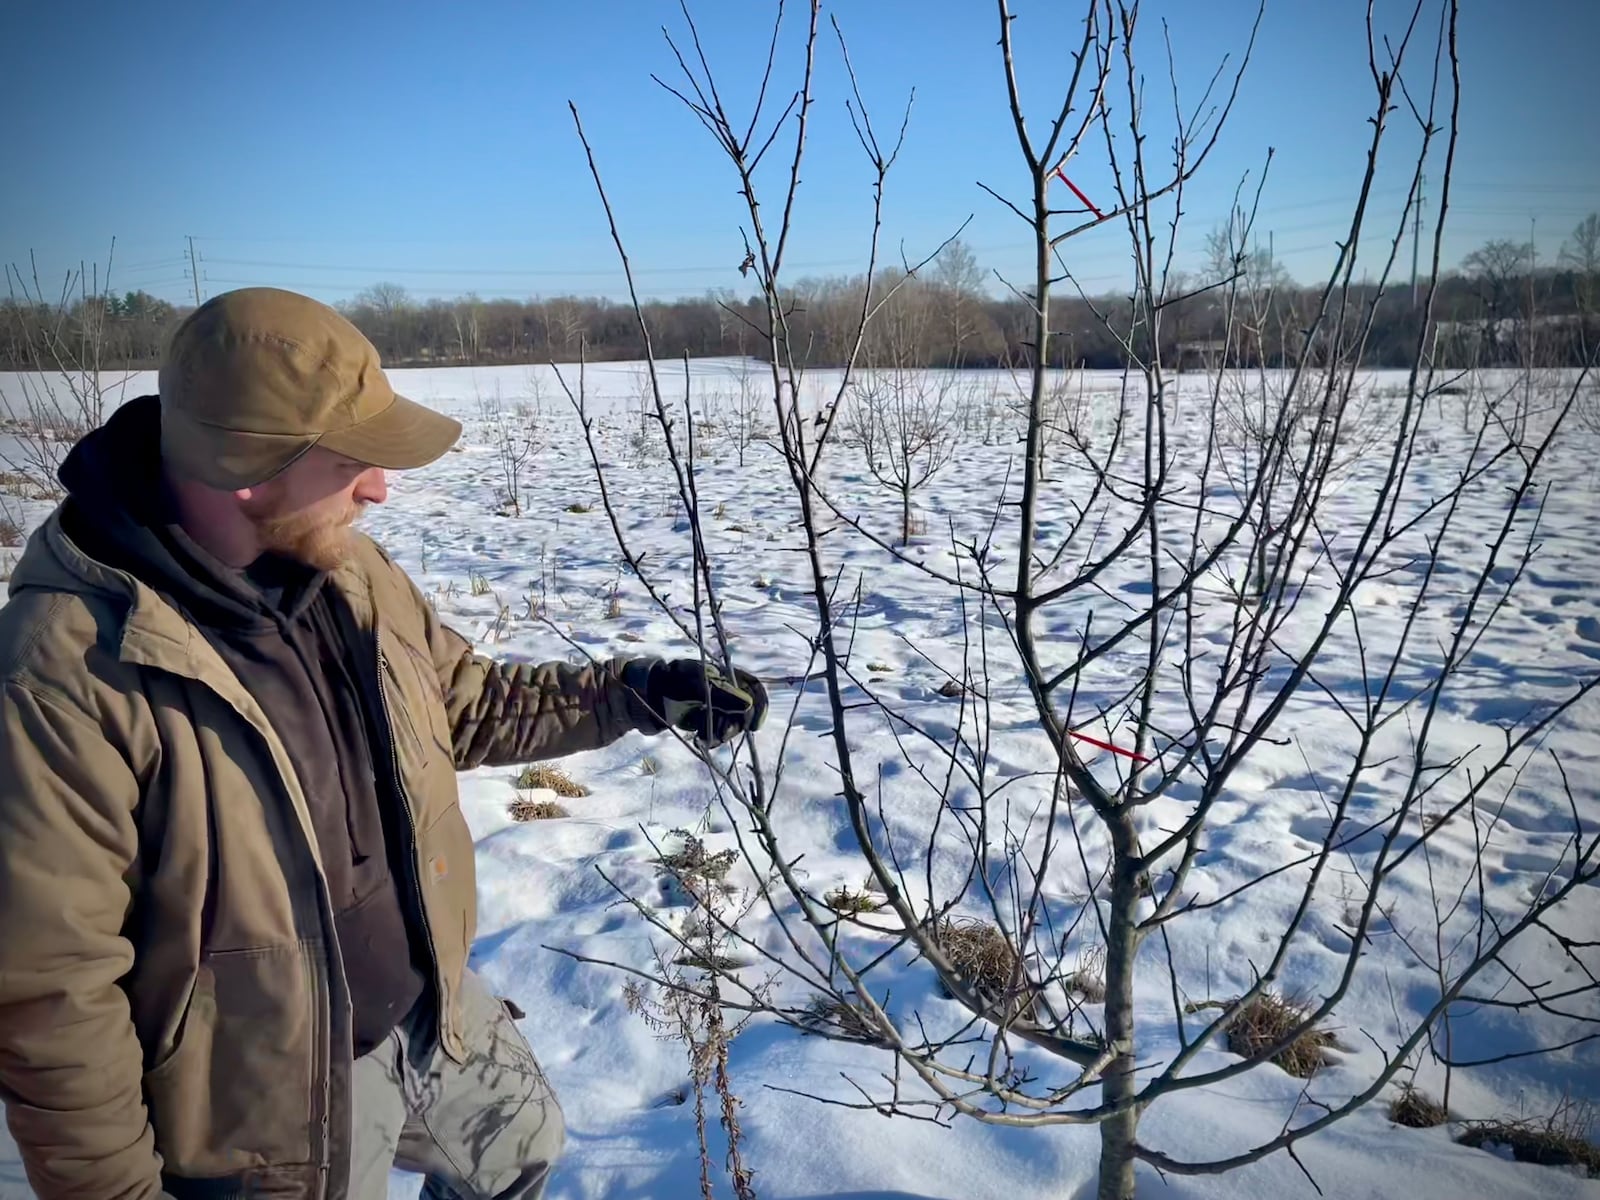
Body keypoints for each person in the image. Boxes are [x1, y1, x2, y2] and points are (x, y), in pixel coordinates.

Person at [0, 287, 767, 1200]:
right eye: (352, 461)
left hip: (430, 1013)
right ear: (251, 468)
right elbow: (51, 996)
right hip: (271, 1105)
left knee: (524, 1151)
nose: (379, 486)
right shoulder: (68, 673)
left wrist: (634, 693)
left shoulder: (345, 572)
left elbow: (464, 705)